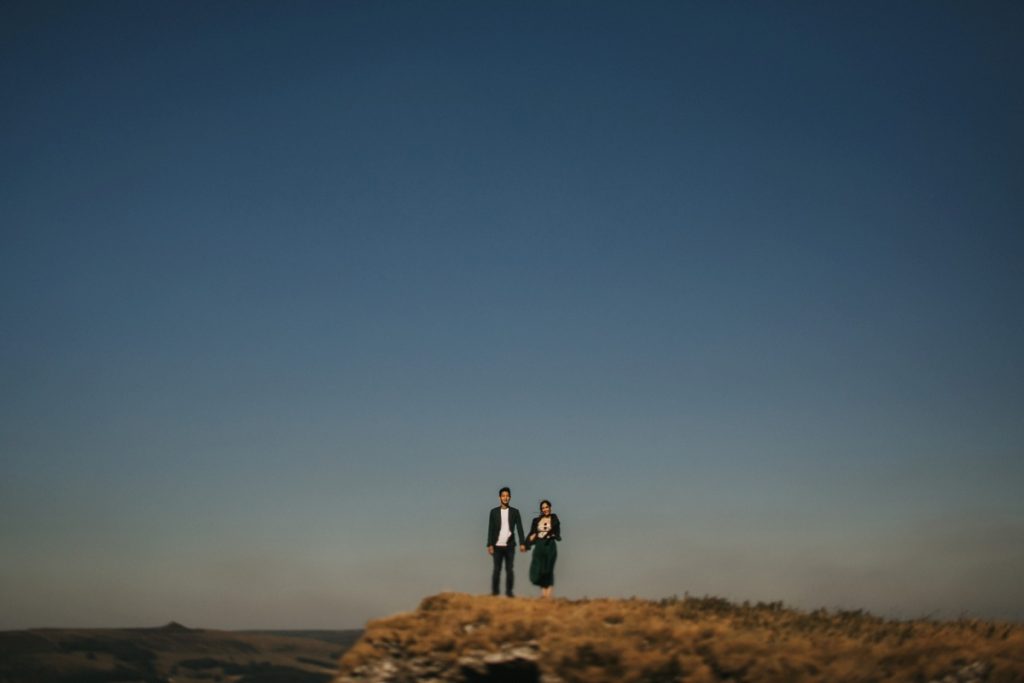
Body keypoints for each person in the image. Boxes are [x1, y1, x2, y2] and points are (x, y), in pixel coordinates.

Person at [486, 486, 527, 597]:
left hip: (510, 546)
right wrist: (489, 544)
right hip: (497, 546)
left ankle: (509, 592)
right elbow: (491, 528)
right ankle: (495, 592)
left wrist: (523, 543)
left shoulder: (515, 512)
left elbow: (520, 528)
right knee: (496, 570)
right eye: (503, 496)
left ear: (510, 497)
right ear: (499, 497)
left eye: (507, 496)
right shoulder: (493, 512)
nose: (505, 498)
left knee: (509, 569)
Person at [526, 499, 561, 598]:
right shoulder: (537, 520)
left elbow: (556, 531)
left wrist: (553, 534)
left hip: (550, 544)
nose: (545, 509)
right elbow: (532, 533)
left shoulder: (554, 518)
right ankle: (542, 593)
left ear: (550, 508)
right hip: (539, 544)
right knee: (539, 568)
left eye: (547, 507)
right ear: (541, 510)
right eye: (543, 508)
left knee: (548, 568)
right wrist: (529, 540)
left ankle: (548, 594)